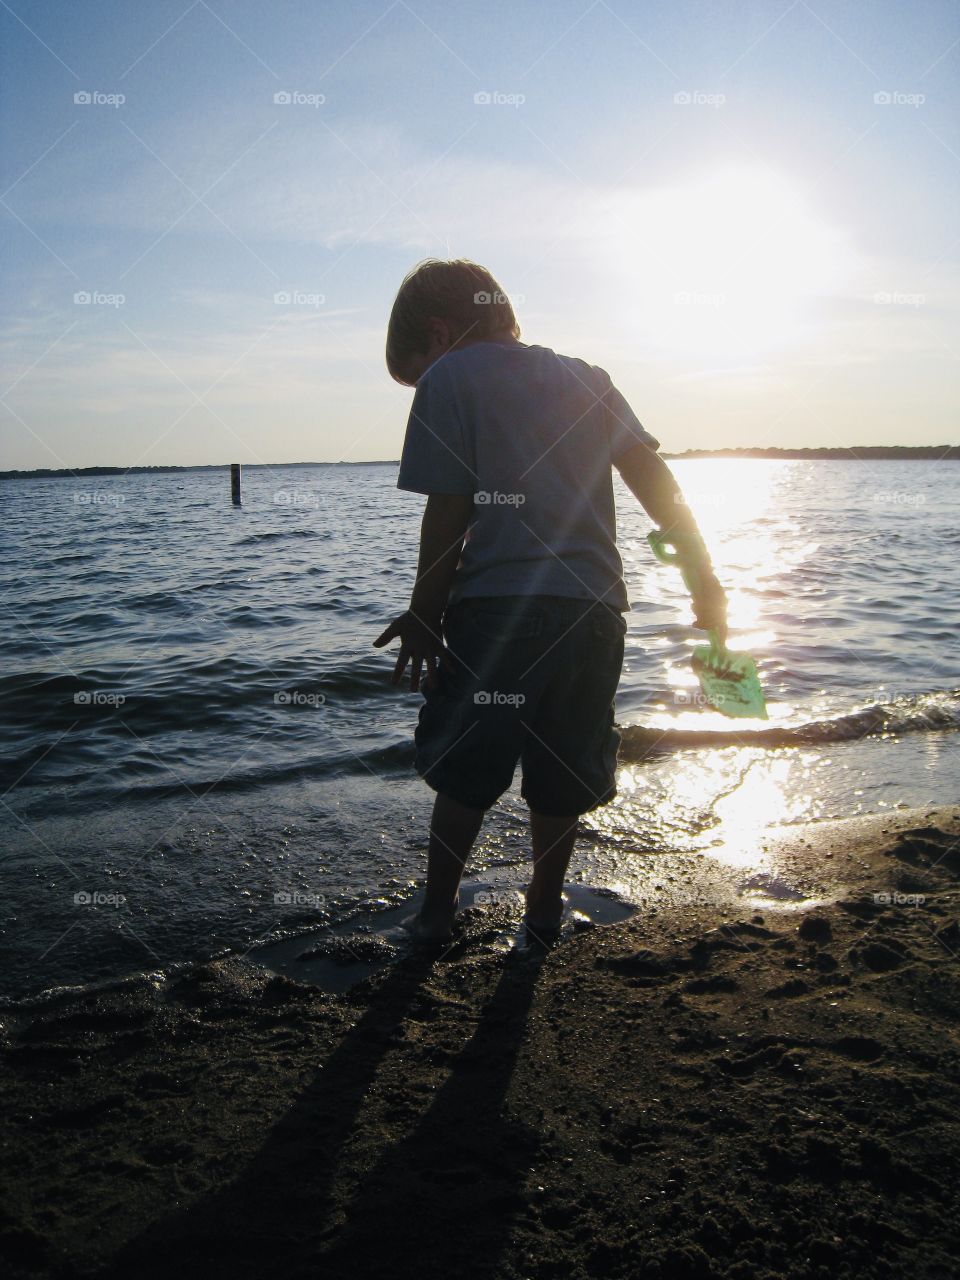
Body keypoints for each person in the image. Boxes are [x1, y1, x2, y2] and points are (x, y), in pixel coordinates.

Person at [374, 259, 727, 943]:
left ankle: (437, 913)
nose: (422, 384)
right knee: (564, 770)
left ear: (439, 333)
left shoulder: (450, 377)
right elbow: (657, 483)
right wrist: (704, 581)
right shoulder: (585, 377)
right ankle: (542, 908)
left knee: (466, 770)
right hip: (597, 614)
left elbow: (449, 511)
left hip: (499, 610)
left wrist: (424, 611)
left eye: (415, 372)